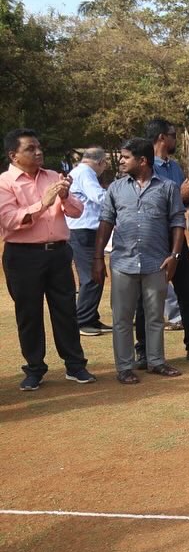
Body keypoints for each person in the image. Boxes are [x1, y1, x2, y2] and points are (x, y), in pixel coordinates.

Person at [0, 128, 95, 391]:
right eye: (30, 148)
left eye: (39, 146)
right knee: (29, 314)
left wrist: (64, 196)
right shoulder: (4, 183)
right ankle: (34, 369)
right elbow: (9, 220)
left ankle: (75, 365)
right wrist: (43, 203)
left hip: (58, 253)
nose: (39, 152)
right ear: (14, 155)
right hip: (23, 256)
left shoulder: (52, 176)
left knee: (65, 310)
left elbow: (77, 211)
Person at [92, 138, 186, 384]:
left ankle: (156, 361)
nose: (120, 161)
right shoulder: (116, 188)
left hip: (157, 261)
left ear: (142, 160)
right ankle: (124, 366)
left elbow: (178, 222)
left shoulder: (167, 187)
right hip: (123, 262)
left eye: (125, 157)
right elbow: (106, 222)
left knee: (155, 316)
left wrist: (174, 256)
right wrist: (98, 257)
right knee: (122, 317)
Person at [134, 118, 189, 366]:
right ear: (161, 138)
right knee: (146, 299)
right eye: (173, 135)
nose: (175, 139)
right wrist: (182, 195)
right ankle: (144, 351)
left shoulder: (175, 168)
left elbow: (180, 205)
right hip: (152, 241)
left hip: (176, 239)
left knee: (186, 296)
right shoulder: (143, 167)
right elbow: (148, 203)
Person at [66, 146, 110, 337]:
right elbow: (98, 196)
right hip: (82, 230)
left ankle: (90, 317)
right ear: (100, 162)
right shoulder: (86, 173)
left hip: (82, 229)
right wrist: (120, 197)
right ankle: (83, 320)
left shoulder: (79, 171)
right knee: (92, 277)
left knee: (96, 275)